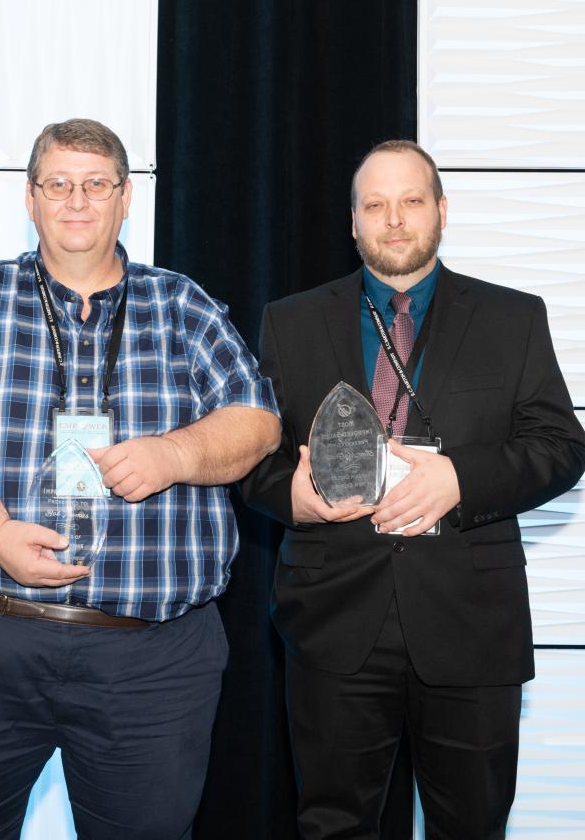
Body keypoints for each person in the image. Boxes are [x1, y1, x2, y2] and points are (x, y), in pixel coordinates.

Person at [0, 118, 280, 839]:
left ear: (126, 198)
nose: (77, 201)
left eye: (97, 184)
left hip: (149, 661)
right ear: (30, 197)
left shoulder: (182, 304)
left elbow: (256, 420)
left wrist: (174, 455)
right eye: (59, 184)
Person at [242, 139, 585, 838]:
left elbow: (562, 446)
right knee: (332, 826)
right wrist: (290, 498)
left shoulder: (513, 317)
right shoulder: (291, 320)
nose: (394, 219)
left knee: (473, 826)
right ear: (352, 222)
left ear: (442, 210)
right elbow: (253, 455)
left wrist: (461, 477)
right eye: (375, 205)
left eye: (411, 201)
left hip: (471, 626)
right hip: (333, 622)